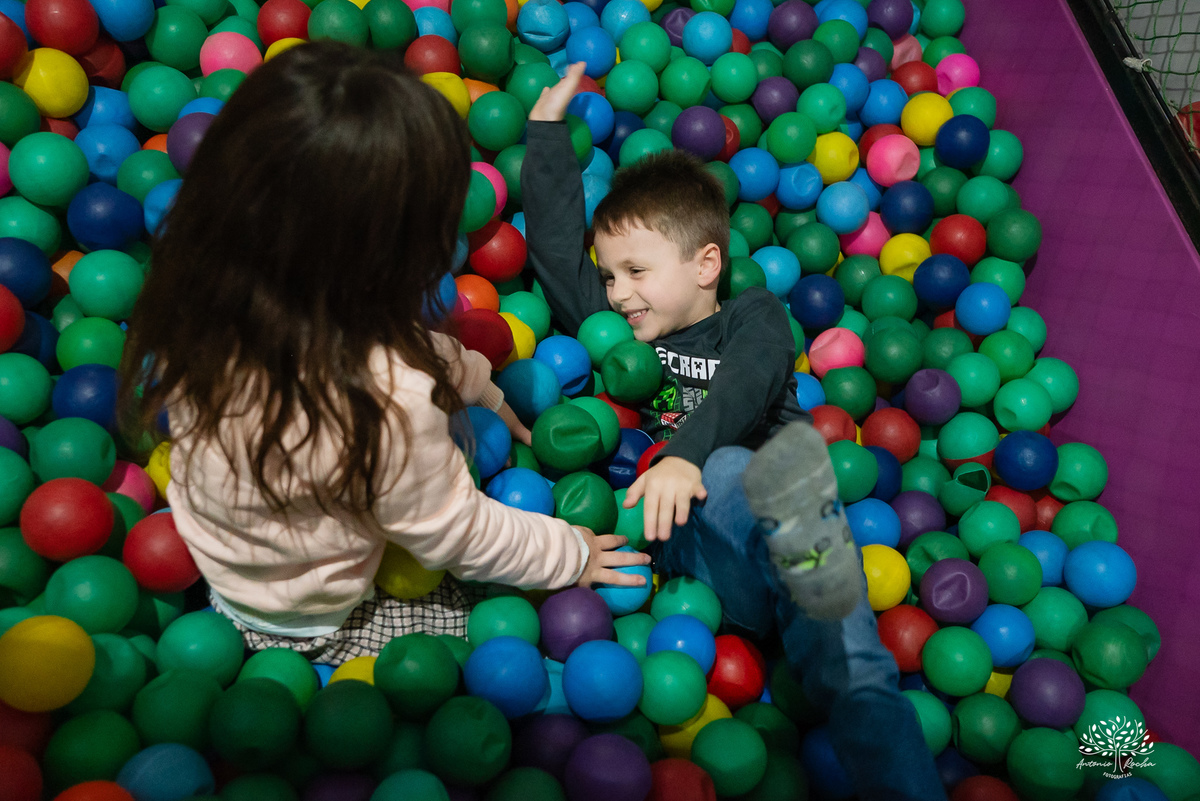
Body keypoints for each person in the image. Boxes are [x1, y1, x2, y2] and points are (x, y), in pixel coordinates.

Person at [117, 42, 648, 667]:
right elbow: (459, 532)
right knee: (483, 634)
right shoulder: (384, 400)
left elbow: (378, 338)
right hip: (299, 615)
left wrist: (472, 379)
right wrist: (573, 553)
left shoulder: (199, 288)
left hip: (229, 552)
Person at [523, 63, 947, 801]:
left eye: (636, 270)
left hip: (788, 537)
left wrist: (684, 456)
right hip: (691, 551)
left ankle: (882, 743)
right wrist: (546, 135)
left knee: (740, 468)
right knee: (717, 472)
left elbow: (749, 379)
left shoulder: (753, 314)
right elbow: (558, 254)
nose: (619, 292)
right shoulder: (618, 331)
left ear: (706, 263)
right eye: (611, 275)